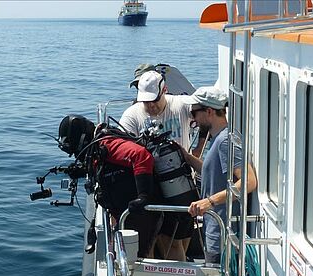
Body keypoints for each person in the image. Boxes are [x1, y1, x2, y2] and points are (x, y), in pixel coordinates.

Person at [57, 114, 163, 258]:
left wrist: (144, 196)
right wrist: (82, 170)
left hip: (139, 212)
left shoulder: (107, 144)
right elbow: (107, 167)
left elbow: (140, 155)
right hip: (125, 211)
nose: (76, 154)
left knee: (140, 257)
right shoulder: (96, 148)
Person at [120, 70, 197, 261]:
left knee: (180, 238)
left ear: (165, 91)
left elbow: (207, 119)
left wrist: (194, 154)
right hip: (150, 187)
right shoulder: (132, 115)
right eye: (146, 101)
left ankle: (177, 275)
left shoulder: (182, 106)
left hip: (180, 184)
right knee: (153, 240)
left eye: (154, 100)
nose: (151, 106)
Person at [179, 86, 257, 264]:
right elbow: (213, 174)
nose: (193, 119)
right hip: (213, 229)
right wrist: (187, 158)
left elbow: (249, 182)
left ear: (209, 111)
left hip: (220, 235)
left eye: (195, 113)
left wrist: (209, 202)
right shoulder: (218, 139)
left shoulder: (225, 141)